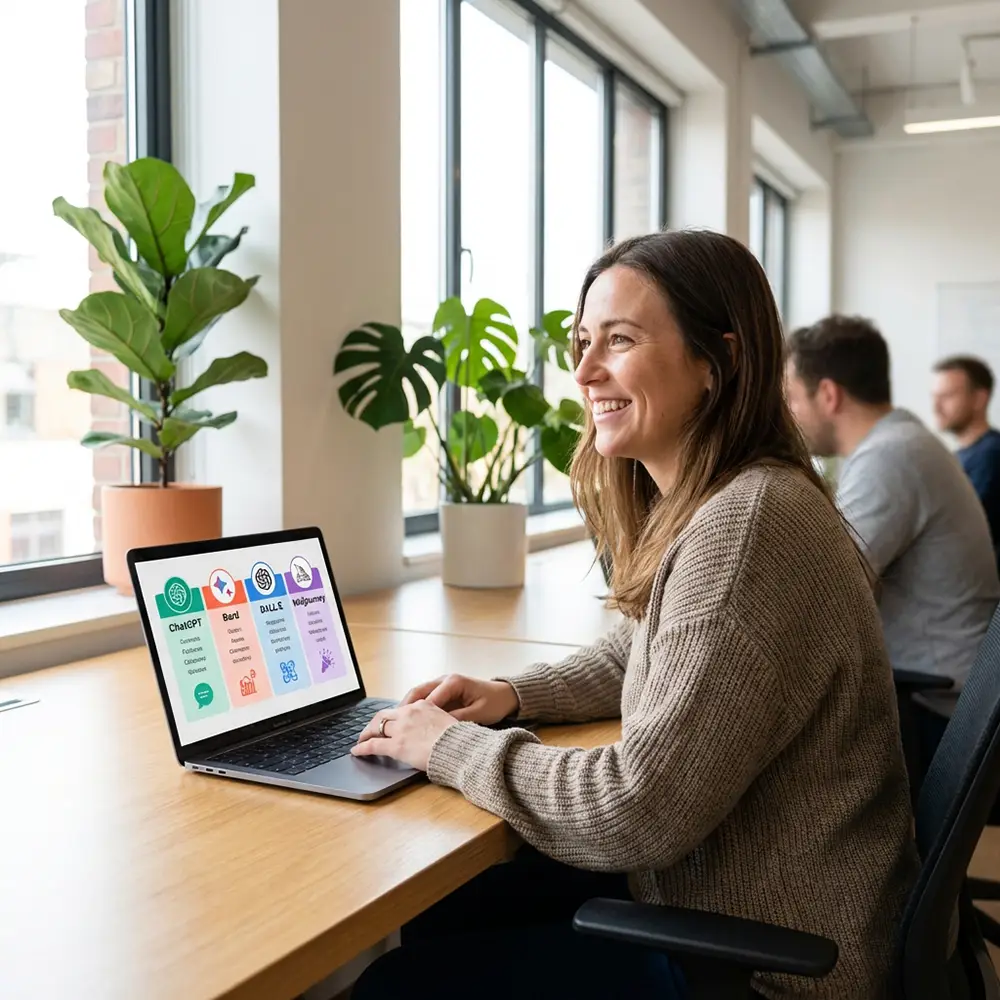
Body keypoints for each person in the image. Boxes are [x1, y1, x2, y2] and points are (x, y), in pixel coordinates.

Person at [352, 232, 918, 1000]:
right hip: (723, 902)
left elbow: (636, 807)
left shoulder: (746, 523)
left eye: (619, 341)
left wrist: (451, 749)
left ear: (718, 362)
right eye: (584, 343)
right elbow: (647, 649)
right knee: (452, 908)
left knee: (398, 985)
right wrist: (514, 696)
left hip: (771, 967)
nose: (584, 372)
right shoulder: (730, 498)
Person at [786, 316, 999, 691]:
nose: (787, 415)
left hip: (932, 700)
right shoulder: (902, 441)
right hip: (944, 684)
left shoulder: (889, 458)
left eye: (792, 398)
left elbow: (823, 596)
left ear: (829, 395)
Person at [933, 355, 1000, 565]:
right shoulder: (959, 457)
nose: (936, 406)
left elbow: (962, 532)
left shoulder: (991, 454)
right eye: (935, 396)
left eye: (948, 396)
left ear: (980, 399)